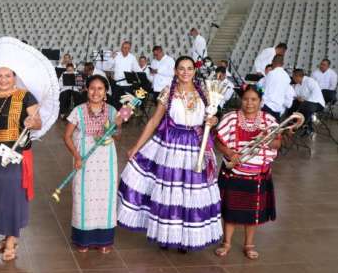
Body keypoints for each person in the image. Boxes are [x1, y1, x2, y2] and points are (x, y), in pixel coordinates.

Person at [118, 56, 222, 252]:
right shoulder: (168, 92)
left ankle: (186, 238)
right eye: (181, 68)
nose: (185, 72)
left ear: (194, 71)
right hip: (171, 147)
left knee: (190, 192)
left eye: (189, 68)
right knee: (171, 191)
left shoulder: (205, 94)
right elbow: (154, 122)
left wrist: (212, 121)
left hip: (195, 147)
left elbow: (211, 117)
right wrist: (136, 147)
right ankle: (166, 235)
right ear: (175, 71)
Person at [214, 85, 281, 260]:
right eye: (245, 99)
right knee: (230, 209)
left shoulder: (269, 121)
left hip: (258, 173)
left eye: (254, 99)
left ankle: (249, 244)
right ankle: (226, 242)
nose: (249, 103)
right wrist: (229, 153)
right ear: (240, 100)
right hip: (234, 171)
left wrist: (269, 138)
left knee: (253, 211)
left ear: (260, 101)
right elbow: (219, 141)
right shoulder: (230, 118)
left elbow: (277, 144)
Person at [0, 67, 41, 261]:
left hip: (15, 153)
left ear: (14, 78)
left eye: (7, 76)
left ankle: (11, 239)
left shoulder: (26, 97)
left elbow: (37, 121)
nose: (3, 79)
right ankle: (5, 236)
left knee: (13, 194)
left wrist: (32, 123)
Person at [62, 75, 124, 253]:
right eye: (92, 88)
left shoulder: (113, 111)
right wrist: (76, 156)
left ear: (106, 92)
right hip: (84, 160)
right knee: (84, 196)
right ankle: (83, 240)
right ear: (86, 90)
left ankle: (104, 240)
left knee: (106, 197)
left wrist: (117, 126)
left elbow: (118, 136)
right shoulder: (78, 111)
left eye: (100, 89)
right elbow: (66, 136)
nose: (96, 92)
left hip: (106, 161)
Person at [287, 69, 325, 134]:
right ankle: (293, 123)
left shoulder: (310, 81)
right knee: (292, 103)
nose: (293, 79)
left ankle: (308, 127)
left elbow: (315, 94)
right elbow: (296, 95)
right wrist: (297, 98)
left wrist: (304, 101)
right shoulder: (297, 85)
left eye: (293, 77)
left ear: (298, 77)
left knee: (306, 106)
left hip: (317, 103)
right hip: (304, 103)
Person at [261, 55, 294, 121]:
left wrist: (261, 92)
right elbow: (288, 94)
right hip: (278, 108)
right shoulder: (287, 77)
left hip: (267, 105)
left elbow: (261, 88)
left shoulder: (271, 74)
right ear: (282, 64)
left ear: (272, 62)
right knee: (273, 129)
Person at [109, 41, 140, 108]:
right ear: (121, 48)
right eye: (124, 47)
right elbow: (109, 67)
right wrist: (111, 58)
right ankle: (115, 117)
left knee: (127, 104)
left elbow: (138, 70)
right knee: (115, 103)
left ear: (129, 49)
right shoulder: (116, 55)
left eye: (127, 48)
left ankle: (124, 118)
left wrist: (141, 76)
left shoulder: (132, 57)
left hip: (127, 85)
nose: (125, 49)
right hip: (116, 84)